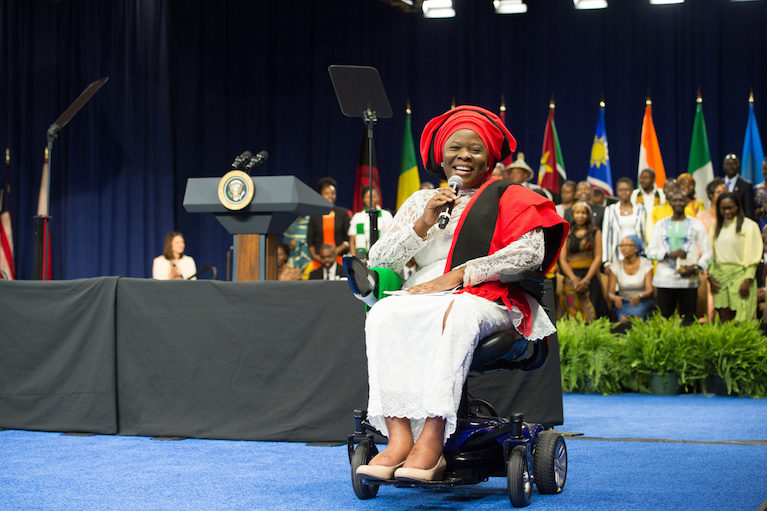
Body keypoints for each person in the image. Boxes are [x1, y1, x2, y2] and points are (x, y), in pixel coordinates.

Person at [355, 105, 567, 483]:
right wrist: (422, 224)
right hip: (423, 296)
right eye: (456, 148)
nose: (464, 156)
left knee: (457, 312)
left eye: (475, 150)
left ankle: (432, 440)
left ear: (489, 159)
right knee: (384, 314)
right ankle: (400, 436)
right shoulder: (422, 202)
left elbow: (531, 252)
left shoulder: (511, 196)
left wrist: (461, 274)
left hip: (489, 297)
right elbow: (379, 258)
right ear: (441, 154)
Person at [646, 191, 712, 325]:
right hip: (664, 280)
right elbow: (650, 251)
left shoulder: (695, 224)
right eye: (674, 200)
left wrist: (695, 267)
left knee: (688, 320)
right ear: (669, 202)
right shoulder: (660, 225)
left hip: (689, 280)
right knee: (665, 320)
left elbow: (708, 252)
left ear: (686, 202)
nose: (678, 203)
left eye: (681, 200)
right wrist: (668, 254)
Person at [707, 192, 762, 322]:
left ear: (737, 207)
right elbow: (710, 254)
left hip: (741, 276)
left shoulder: (749, 226)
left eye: (730, 207)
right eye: (723, 208)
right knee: (723, 318)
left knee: (741, 318)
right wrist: (710, 277)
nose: (727, 211)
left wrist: (748, 279)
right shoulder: (715, 227)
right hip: (719, 277)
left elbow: (754, 254)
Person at [558, 201, 605, 321]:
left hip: (590, 277)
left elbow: (598, 257)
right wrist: (574, 279)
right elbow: (562, 259)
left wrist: (586, 280)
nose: (580, 216)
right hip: (571, 278)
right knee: (572, 315)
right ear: (572, 215)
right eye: (577, 213)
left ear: (588, 215)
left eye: (583, 213)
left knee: (593, 314)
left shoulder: (595, 232)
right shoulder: (567, 233)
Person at [305, 177, 351, 273]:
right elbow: (310, 241)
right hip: (320, 260)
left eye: (333, 193)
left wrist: (339, 249)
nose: (330, 196)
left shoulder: (343, 213)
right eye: (327, 193)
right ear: (321, 195)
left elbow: (349, 238)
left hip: (339, 258)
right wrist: (316, 256)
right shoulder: (315, 215)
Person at [606, 235, 655, 322]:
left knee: (637, 318)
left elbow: (650, 290)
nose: (623, 248)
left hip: (642, 301)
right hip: (624, 302)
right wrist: (615, 298)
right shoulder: (615, 266)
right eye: (621, 246)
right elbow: (610, 293)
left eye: (627, 245)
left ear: (636, 248)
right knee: (623, 318)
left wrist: (639, 295)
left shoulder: (646, 264)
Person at [602, 177, 647, 268]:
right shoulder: (610, 210)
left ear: (632, 191)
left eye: (626, 189)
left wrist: (646, 255)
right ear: (617, 191)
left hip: (638, 255)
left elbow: (645, 234)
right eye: (621, 190)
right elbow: (606, 236)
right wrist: (606, 261)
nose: (624, 193)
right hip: (617, 257)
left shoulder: (641, 209)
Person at [348, 186, 394, 259]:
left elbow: (392, 237)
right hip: (362, 257)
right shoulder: (357, 217)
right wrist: (355, 260)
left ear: (378, 198)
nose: (371, 199)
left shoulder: (386, 215)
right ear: (363, 199)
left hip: (382, 257)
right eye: (368, 197)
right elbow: (352, 242)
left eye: (374, 196)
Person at [722, 153, 755, 220]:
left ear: (738, 165)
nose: (731, 167)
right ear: (723, 166)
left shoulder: (746, 185)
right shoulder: (719, 184)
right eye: (728, 164)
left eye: (734, 164)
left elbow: (749, 213)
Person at [753, 157, 767, 230]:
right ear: (762, 170)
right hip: (759, 229)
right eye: (765, 168)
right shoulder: (755, 189)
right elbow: (750, 213)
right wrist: (762, 209)